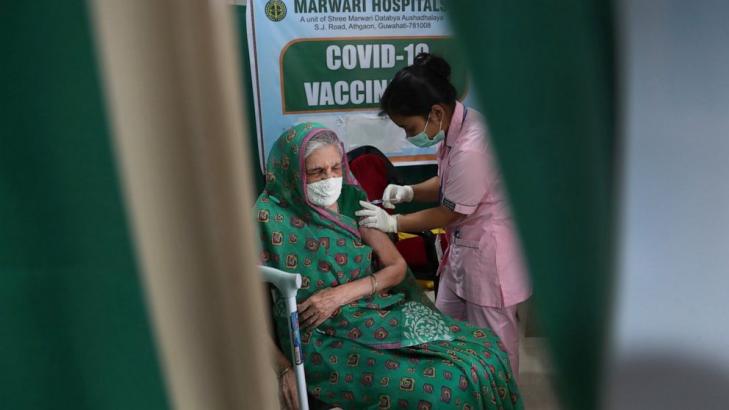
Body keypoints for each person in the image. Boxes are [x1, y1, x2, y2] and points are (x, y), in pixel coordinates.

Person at [256, 122, 522, 409]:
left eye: (336, 168)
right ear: (292, 173)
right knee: (439, 388)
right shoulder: (269, 220)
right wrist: (285, 369)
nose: (330, 179)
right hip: (322, 339)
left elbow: (395, 267)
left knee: (485, 351)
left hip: (374, 312)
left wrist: (341, 294)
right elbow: (244, 312)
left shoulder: (349, 200)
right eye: (317, 172)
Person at [356, 53, 532, 378]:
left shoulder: (473, 147)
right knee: (445, 332)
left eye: (409, 128)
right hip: (461, 255)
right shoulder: (455, 129)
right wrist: (408, 191)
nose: (409, 137)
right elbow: (449, 182)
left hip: (489, 259)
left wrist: (393, 222)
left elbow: (448, 212)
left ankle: (502, 399)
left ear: (435, 112)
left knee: (495, 349)